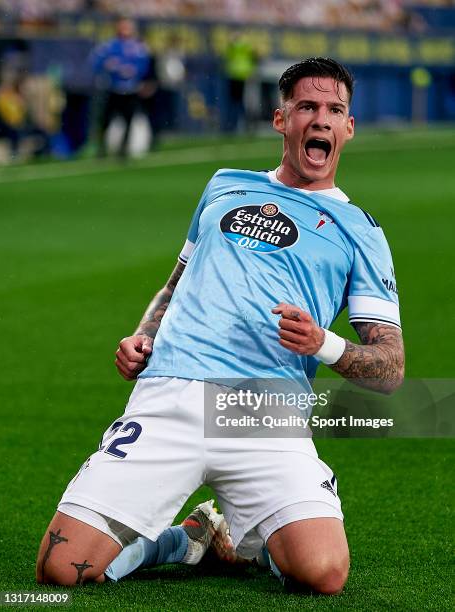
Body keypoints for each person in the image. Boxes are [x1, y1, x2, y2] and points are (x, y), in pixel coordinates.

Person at [37, 57, 404, 593]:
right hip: (169, 394)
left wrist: (322, 343)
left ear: (348, 127)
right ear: (281, 119)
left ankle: (257, 534)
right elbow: (175, 283)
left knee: (322, 573)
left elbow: (390, 368)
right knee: (60, 568)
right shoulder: (224, 185)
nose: (320, 119)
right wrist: (144, 336)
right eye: (307, 106)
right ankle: (182, 540)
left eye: (334, 109)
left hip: (263, 410)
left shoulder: (361, 232)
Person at [90, 17, 153, 158]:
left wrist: (132, 71)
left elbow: (144, 66)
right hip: (112, 88)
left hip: (130, 89)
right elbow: (96, 62)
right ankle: (101, 147)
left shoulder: (138, 47)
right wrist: (110, 66)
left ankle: (123, 149)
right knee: (105, 119)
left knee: (128, 120)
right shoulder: (109, 46)